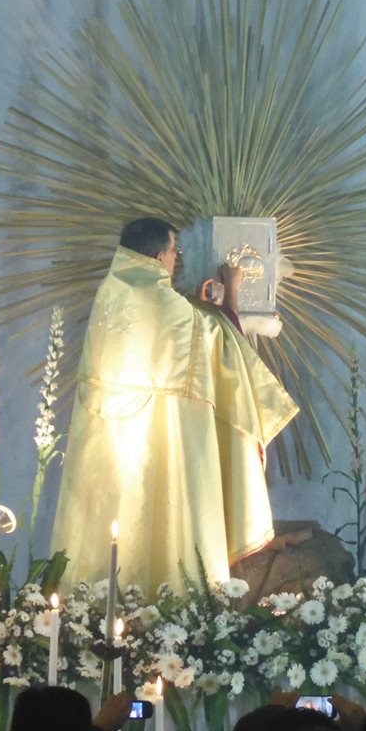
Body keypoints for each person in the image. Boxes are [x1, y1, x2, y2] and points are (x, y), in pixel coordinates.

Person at [51, 218, 298, 593]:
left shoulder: (113, 291)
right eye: (174, 252)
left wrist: (197, 309)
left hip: (111, 444)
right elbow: (219, 340)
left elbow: (179, 327)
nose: (175, 261)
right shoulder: (163, 301)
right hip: (160, 440)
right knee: (170, 519)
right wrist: (230, 292)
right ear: (158, 254)